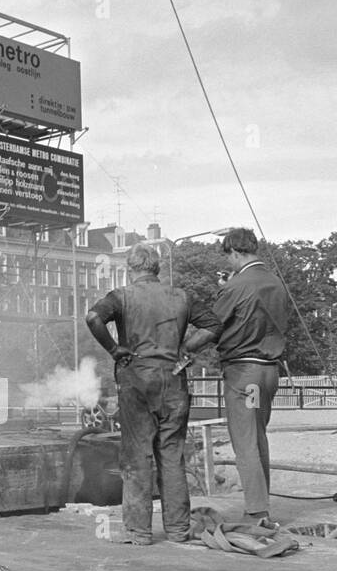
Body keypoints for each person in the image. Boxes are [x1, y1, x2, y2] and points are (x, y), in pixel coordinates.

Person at [86, 241, 219, 545]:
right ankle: (177, 529)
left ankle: (139, 531)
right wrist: (186, 348)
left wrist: (115, 349)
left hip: (136, 380)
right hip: (174, 381)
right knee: (172, 455)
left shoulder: (122, 296)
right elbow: (213, 325)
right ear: (156, 268)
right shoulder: (181, 296)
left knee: (137, 455)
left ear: (130, 269)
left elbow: (93, 318)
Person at [210, 228, 290, 526]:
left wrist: (184, 350)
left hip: (245, 373)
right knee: (257, 438)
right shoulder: (277, 283)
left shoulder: (237, 285)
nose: (229, 263)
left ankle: (257, 513)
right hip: (270, 371)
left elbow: (212, 326)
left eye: (228, 257)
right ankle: (261, 508)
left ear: (234, 253)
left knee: (244, 442)